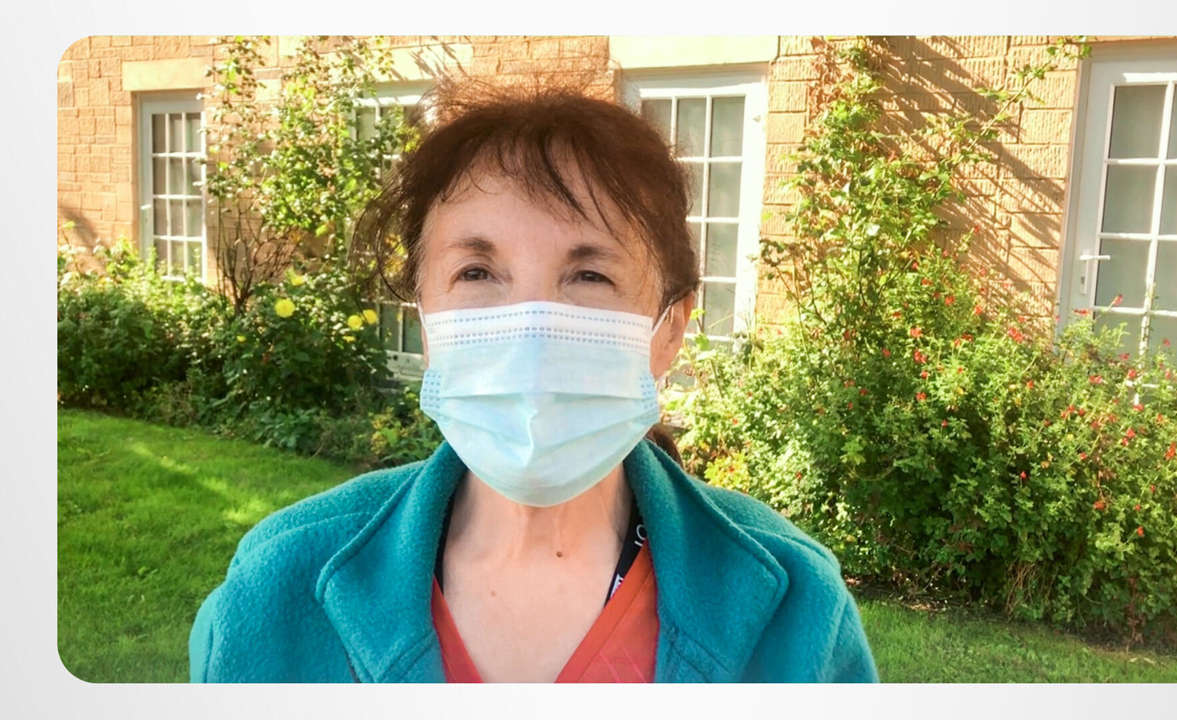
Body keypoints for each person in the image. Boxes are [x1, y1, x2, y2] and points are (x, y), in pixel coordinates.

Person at [188, 78, 877, 683]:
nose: (532, 329)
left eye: (589, 275)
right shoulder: (278, 585)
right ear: (426, 321)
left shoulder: (799, 608)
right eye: (476, 273)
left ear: (669, 328)